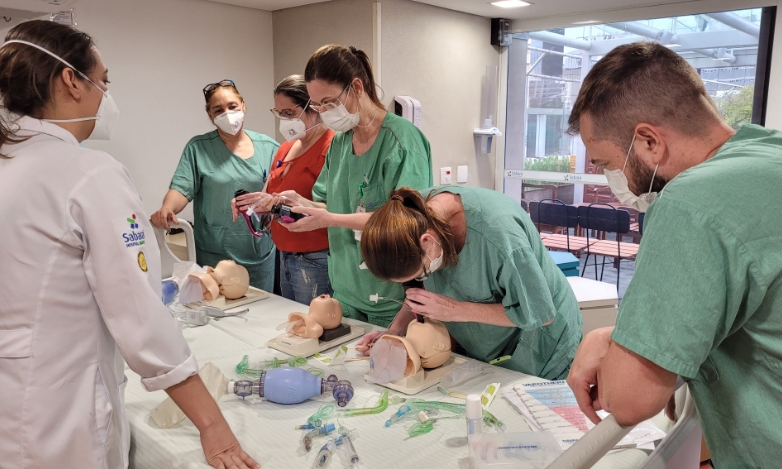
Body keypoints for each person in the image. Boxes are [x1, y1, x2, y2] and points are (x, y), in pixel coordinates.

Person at [0, 21, 258, 469]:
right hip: (61, 414)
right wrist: (212, 425)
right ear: (70, 80)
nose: (106, 96)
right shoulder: (88, 174)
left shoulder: (11, 161)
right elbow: (140, 317)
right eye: (104, 81)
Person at [564, 42, 782, 468]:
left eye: (609, 163)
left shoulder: (692, 202)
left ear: (648, 141)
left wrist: (606, 339)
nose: (613, 180)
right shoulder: (767, 153)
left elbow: (628, 400)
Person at [275, 45, 433, 326]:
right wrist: (297, 202)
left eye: (329, 102)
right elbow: (333, 205)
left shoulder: (401, 142)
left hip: (390, 296)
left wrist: (330, 219)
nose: (323, 112)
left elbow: (407, 222)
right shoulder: (340, 143)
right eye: (317, 105)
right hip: (346, 292)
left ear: (356, 87)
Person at [356, 186, 583, 379]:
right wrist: (395, 331)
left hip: (544, 347)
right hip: (489, 349)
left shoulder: (499, 237)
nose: (421, 279)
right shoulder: (411, 216)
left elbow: (542, 314)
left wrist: (456, 310)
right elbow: (417, 292)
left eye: (421, 273)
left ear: (427, 241)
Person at [151, 79, 278, 291]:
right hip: (213, 257)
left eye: (232, 106)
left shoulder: (270, 148)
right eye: (218, 110)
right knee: (216, 315)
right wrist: (167, 208)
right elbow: (182, 187)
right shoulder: (198, 148)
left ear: (243, 105)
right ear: (210, 115)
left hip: (258, 255)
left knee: (260, 317)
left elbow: (280, 196)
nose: (227, 114)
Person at [232, 75, 334, 304]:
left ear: (314, 108)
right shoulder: (285, 149)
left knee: (316, 327)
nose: (284, 121)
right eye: (279, 114)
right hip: (284, 254)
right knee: (296, 325)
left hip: (315, 258)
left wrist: (286, 203)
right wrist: (252, 204)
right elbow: (273, 197)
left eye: (289, 113)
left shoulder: (332, 147)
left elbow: (337, 209)